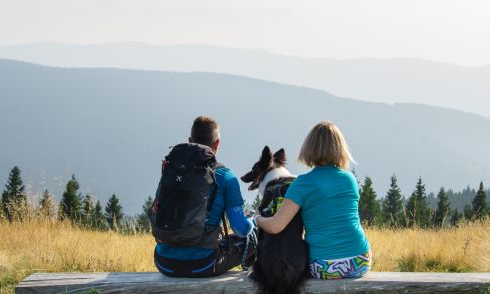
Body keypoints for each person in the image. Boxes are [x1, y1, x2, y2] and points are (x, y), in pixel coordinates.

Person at [254, 121, 371, 279]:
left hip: (324, 267)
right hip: (360, 261)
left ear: (309, 148)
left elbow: (275, 226)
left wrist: (257, 218)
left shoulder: (302, 183)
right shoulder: (349, 179)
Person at [153, 115, 256, 277]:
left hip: (163, 262)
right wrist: (253, 222)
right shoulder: (226, 177)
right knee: (255, 237)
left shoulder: (171, 169)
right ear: (217, 144)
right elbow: (240, 229)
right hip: (203, 264)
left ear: (190, 140)